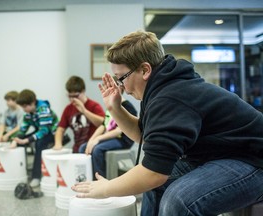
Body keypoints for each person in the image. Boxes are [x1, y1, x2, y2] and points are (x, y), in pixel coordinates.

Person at [71, 30, 263, 216]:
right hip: (221, 154)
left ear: (145, 70)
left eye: (121, 78)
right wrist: (115, 108)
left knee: (179, 200)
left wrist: (107, 189)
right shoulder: (160, 88)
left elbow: (154, 173)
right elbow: (143, 136)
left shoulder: (172, 96)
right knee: (155, 184)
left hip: (252, 159)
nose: (123, 88)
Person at [79, 87, 137, 179]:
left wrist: (98, 139)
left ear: (120, 89)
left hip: (122, 140)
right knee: (83, 147)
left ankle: (100, 180)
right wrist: (92, 139)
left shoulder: (128, 107)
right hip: (110, 138)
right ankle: (87, 178)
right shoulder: (110, 106)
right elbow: (103, 125)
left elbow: (119, 130)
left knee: (97, 149)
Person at [10, 89, 58, 187]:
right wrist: (16, 140)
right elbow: (23, 129)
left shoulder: (43, 108)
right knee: (19, 142)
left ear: (32, 103)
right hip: (40, 130)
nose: (24, 109)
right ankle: (21, 171)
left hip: (52, 132)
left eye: (25, 106)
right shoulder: (28, 113)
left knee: (39, 144)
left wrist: (28, 140)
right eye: (22, 107)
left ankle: (36, 176)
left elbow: (44, 130)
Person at [53, 76, 105, 153]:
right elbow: (60, 129)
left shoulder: (94, 106)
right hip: (77, 149)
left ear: (83, 91)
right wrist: (58, 144)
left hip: (92, 148)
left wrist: (84, 111)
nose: (72, 99)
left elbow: (103, 124)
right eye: (70, 96)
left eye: (75, 96)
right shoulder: (68, 109)